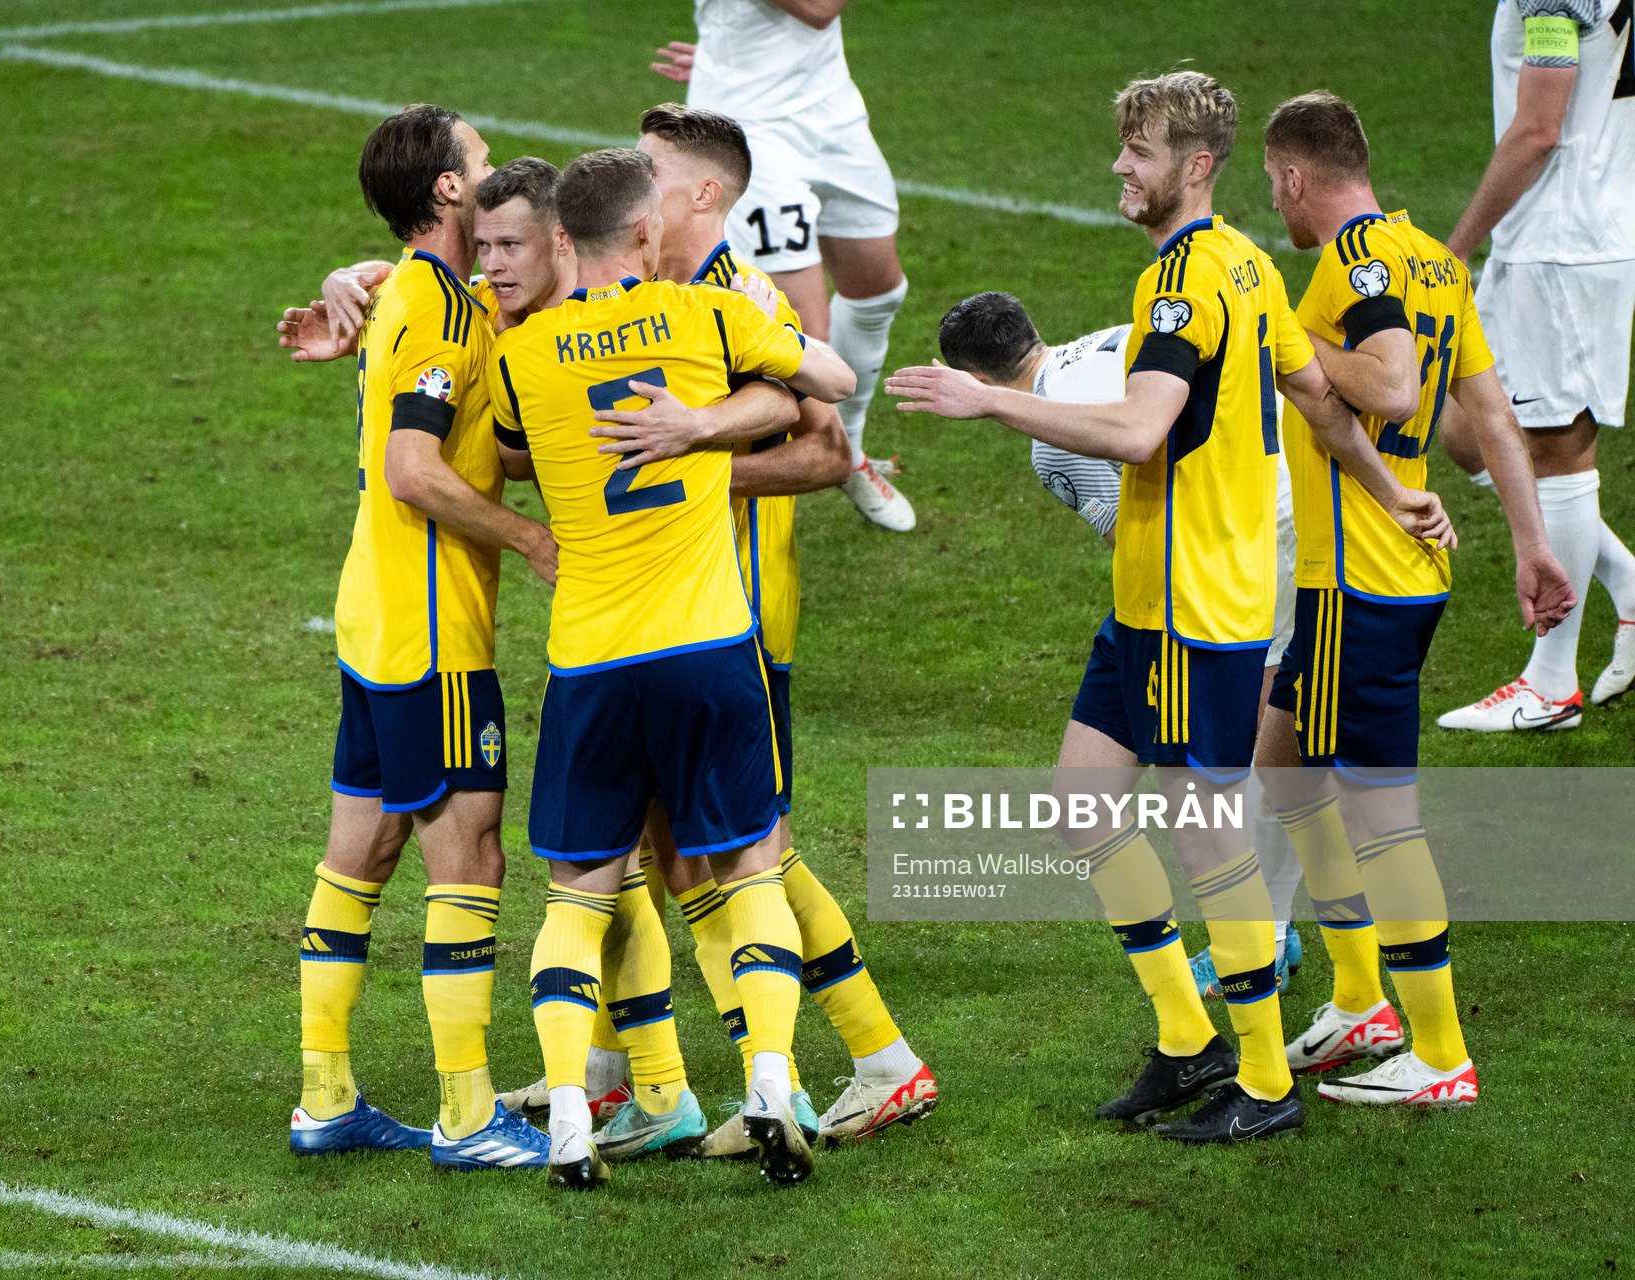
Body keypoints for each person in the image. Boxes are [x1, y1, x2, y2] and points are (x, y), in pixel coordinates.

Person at [890, 70, 1453, 1144]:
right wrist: (1397, 492)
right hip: (1145, 601)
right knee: (1081, 805)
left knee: (1208, 841)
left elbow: (1143, 430)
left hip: (1205, 603)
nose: (1119, 166)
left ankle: (1263, 1079)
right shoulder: (1243, 262)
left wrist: (990, 398)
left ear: (1193, 166)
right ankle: (1189, 1035)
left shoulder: (1190, 284)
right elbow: (1323, 402)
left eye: (1138, 150)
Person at [491, 147, 854, 1188]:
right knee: (747, 870)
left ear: (564, 241)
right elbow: (825, 382)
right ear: (649, 235)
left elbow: (515, 451)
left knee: (579, 890)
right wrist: (710, 418)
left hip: (592, 659)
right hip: (708, 647)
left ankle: (568, 1108)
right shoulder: (706, 316)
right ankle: (772, 1082)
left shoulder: (524, 354)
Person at [628, 104, 937, 1156]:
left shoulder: (740, 298)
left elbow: (824, 454)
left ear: (706, 193)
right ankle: (740, 1074)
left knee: (745, 848)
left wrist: (694, 468)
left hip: (741, 618)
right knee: (667, 842)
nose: (635, 182)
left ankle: (839, 1067)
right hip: (671, 616)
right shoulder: (651, 293)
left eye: (651, 169)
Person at [1256, 91, 1572, 1103]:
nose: (1276, 204)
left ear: (1299, 177)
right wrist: (1532, 544)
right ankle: (1361, 998)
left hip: (1366, 579)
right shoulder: (1432, 259)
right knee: (1284, 759)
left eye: (1275, 185)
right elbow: (1486, 408)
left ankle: (1439, 1051)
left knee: (1379, 816)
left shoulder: (1351, 268)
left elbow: (1392, 390)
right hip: (1381, 578)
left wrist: (1292, 352)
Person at [285, 105, 559, 1171]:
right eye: (479, 156)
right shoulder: (441, 308)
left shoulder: (414, 287)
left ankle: (327, 1093)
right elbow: (416, 469)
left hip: (372, 618)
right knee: (471, 856)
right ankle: (465, 1109)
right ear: (448, 191)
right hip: (436, 633)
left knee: (363, 852)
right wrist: (527, 536)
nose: (489, 166)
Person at [934, 292, 1307, 1003]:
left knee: (1245, 752)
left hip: (1245, 548)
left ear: (977, 385)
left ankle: (1263, 938)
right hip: (1284, 503)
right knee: (1255, 749)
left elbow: (1135, 534)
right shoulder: (1117, 334)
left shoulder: (1052, 442)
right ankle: (1264, 936)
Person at [1435, 0, 1635, 728]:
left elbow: (1539, 128)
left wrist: (1452, 250)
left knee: (1558, 454)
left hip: (1562, 243)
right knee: (1463, 426)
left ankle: (1551, 686)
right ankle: (1628, 583)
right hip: (1556, 237)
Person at [651, 0, 916, 531]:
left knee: (878, 286)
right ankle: (833, 455)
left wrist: (734, 52)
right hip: (755, 123)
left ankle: (851, 446)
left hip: (830, 105)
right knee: (804, 335)